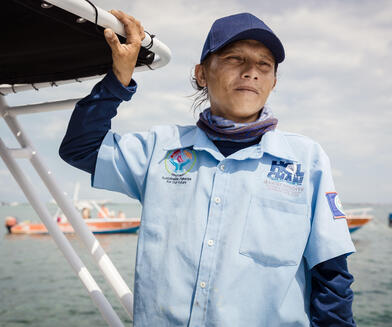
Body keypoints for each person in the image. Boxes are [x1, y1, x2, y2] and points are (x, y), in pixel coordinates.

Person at [59, 11, 356, 326]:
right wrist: (118, 80)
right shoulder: (159, 148)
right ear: (201, 74)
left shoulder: (306, 159)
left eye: (264, 65)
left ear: (273, 82)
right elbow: (81, 147)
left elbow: (330, 274)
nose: (251, 72)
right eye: (235, 59)